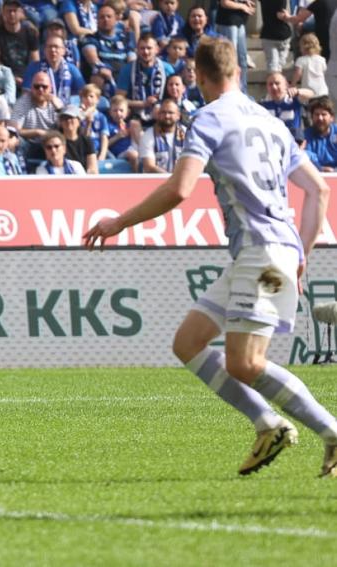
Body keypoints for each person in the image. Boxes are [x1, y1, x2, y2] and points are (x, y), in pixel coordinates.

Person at [83, 36, 337, 478]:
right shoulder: (271, 121)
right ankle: (268, 423)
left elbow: (180, 188)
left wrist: (118, 222)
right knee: (188, 342)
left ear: (199, 77)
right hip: (265, 254)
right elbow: (318, 189)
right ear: (238, 71)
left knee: (245, 362)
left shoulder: (207, 118)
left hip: (262, 255)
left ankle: (332, 431)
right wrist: (303, 254)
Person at [0, 0, 39, 89]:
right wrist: (10, 77)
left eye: (15, 11)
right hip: (5, 78)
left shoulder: (30, 32)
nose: (12, 14)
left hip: (27, 77)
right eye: (9, 11)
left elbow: (35, 59)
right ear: (3, 13)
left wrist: (28, 77)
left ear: (21, 13)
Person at [137, 98, 186, 173]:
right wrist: (170, 179)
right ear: (158, 115)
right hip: (156, 181)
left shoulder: (187, 133)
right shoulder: (149, 135)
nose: (167, 116)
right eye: (163, 112)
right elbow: (149, 167)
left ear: (178, 116)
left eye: (170, 113)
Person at [304, 96, 337, 172]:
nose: (320, 118)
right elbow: (306, 157)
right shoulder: (306, 135)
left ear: (331, 117)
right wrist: (320, 168)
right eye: (317, 114)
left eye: (324, 114)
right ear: (312, 117)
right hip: (314, 175)